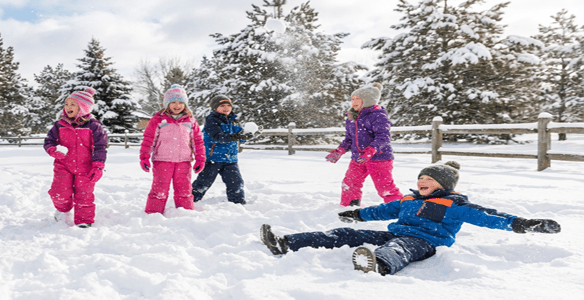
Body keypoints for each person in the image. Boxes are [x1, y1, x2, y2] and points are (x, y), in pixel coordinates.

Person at [259, 161, 561, 276]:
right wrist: (356, 215)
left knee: (400, 247)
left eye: (428, 179)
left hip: (424, 242)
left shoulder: (454, 204)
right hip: (395, 233)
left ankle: (378, 264)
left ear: (443, 184)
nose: (422, 182)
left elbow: (488, 216)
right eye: (420, 179)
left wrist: (522, 223)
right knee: (341, 233)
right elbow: (382, 211)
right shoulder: (408, 200)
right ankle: (287, 242)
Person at [325, 82, 401, 207]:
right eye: (353, 98)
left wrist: (371, 150)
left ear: (367, 101)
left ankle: (398, 208)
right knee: (350, 183)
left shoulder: (378, 116)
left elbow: (383, 137)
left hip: (379, 158)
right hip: (358, 158)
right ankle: (349, 208)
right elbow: (349, 139)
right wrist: (339, 151)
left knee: (384, 187)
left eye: (358, 99)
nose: (354, 101)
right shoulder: (351, 118)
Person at [43, 87, 108, 228]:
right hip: (63, 165)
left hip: (86, 167)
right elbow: (49, 141)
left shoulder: (94, 126)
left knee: (84, 195)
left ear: (83, 108)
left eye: (73, 104)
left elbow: (100, 147)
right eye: (66, 104)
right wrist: (53, 150)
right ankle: (63, 210)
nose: (68, 107)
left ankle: (84, 221)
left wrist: (98, 166)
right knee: (59, 193)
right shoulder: (59, 125)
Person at [139, 85, 206, 214]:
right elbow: (149, 139)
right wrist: (144, 157)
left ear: (185, 104)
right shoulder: (158, 120)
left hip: (184, 161)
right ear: (167, 104)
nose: (177, 105)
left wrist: (200, 159)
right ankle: (153, 214)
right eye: (173, 102)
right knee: (159, 190)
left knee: (184, 190)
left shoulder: (190, 121)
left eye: (181, 102)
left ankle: (185, 213)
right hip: (162, 160)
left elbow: (197, 141)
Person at [191, 95, 253, 204]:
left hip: (230, 160)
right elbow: (218, 137)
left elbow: (240, 135)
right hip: (213, 159)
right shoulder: (212, 120)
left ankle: (237, 204)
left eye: (228, 105)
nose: (226, 108)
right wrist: (234, 137)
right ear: (215, 108)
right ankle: (190, 200)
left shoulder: (232, 121)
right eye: (222, 105)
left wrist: (246, 136)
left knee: (236, 183)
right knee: (203, 182)